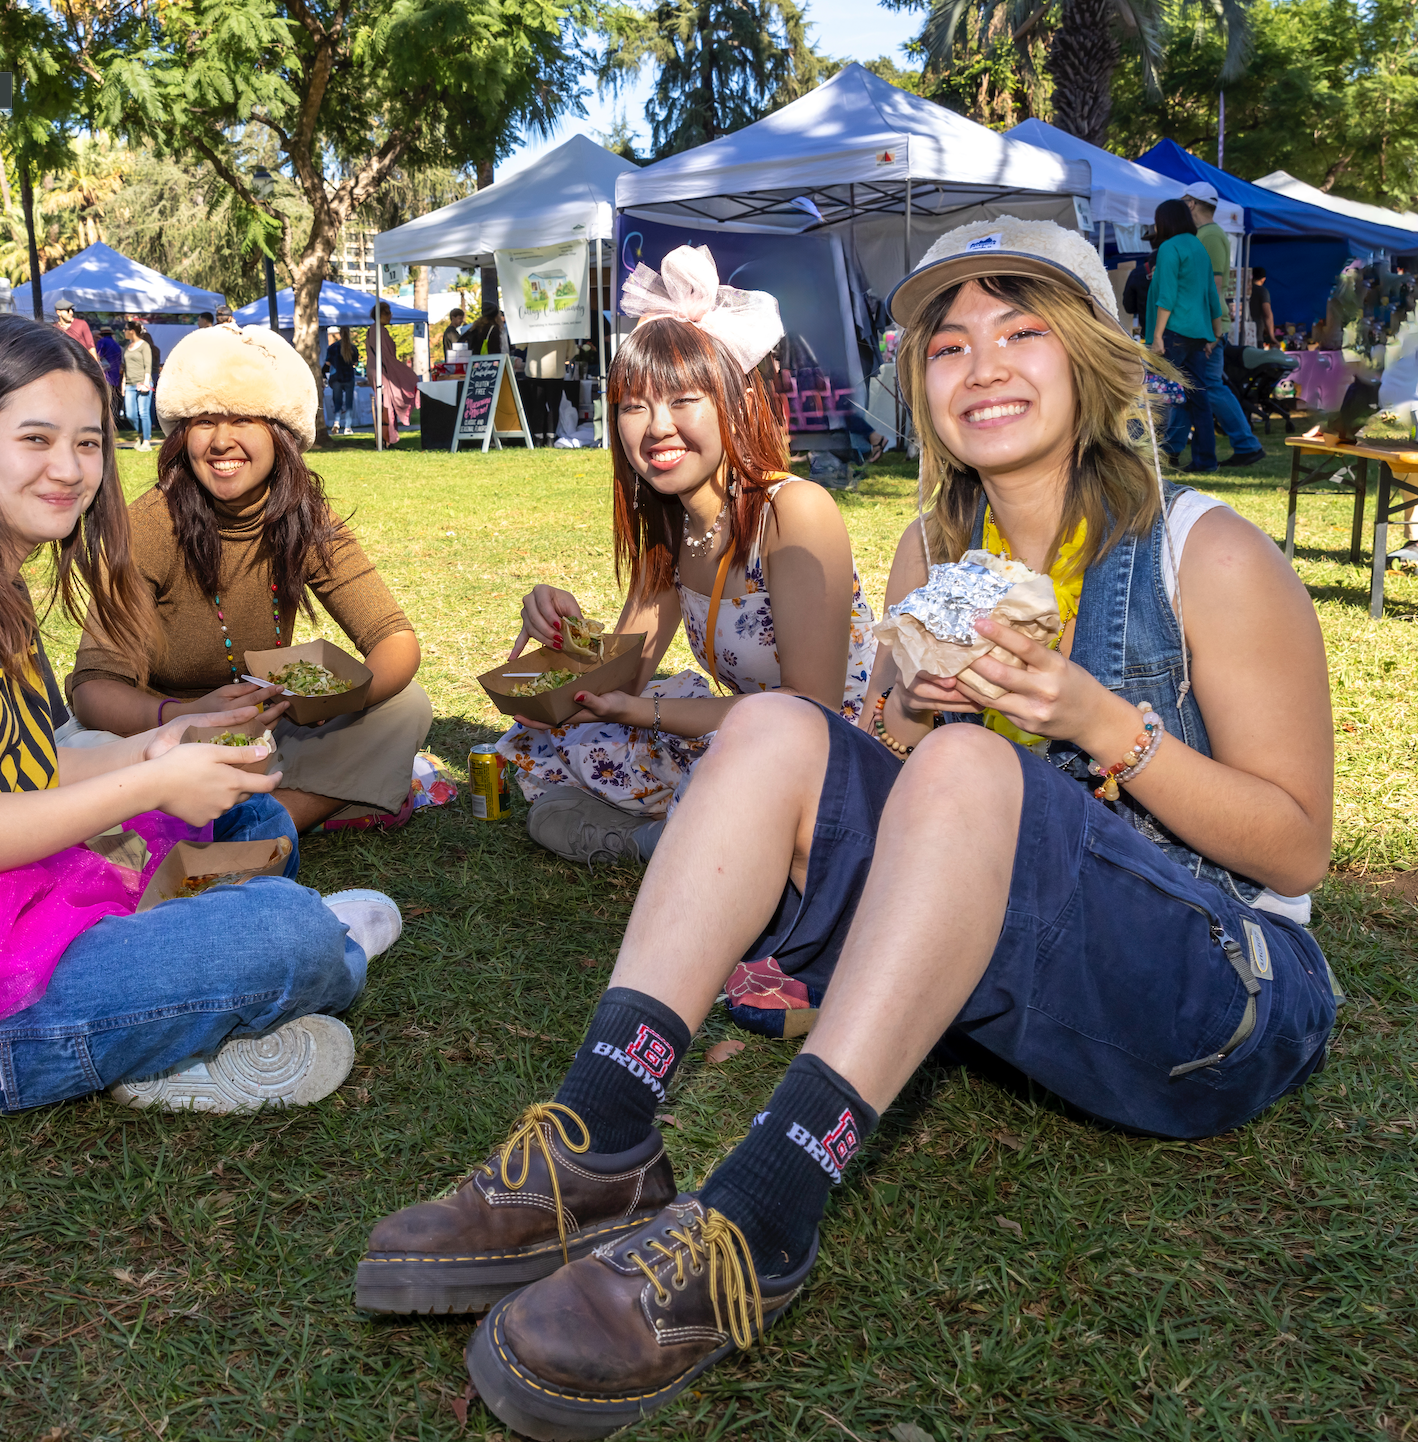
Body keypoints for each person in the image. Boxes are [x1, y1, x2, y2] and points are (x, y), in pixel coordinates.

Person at [361, 217, 1339, 1440]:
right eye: (948, 344)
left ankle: (765, 1210)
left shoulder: (1208, 551)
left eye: (1021, 330)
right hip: (1024, 976)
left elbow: (1296, 851)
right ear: (917, 385)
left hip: (1224, 995)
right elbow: (912, 795)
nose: (982, 365)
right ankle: (602, 1129)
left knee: (973, 768)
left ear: (1092, 359)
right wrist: (902, 722)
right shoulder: (933, 551)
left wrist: (1099, 720)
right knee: (774, 724)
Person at [0, 313, 403, 1162]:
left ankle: (184, 1007)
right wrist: (148, 788)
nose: (69, 469)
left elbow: (23, 763)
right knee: (289, 936)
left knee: (258, 828)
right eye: (36, 438)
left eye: (89, 443)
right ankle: (234, 998)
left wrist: (166, 741)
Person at [499, 244, 875, 890]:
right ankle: (673, 834)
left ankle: (674, 835)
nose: (656, 427)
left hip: (829, 752)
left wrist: (635, 713)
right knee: (555, 738)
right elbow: (626, 674)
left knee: (688, 747)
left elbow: (808, 712)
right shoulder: (672, 529)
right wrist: (563, 635)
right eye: (633, 405)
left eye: (683, 400)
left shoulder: (796, 512)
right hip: (746, 733)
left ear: (733, 402)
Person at [66, 323, 432, 835]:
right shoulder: (145, 527)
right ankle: (302, 807)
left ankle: (251, 823)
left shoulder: (304, 516)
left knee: (405, 706)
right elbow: (93, 691)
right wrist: (187, 714)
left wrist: (335, 704)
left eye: (243, 419)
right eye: (204, 420)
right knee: (84, 759)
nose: (221, 441)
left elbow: (394, 639)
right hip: (166, 735)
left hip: (267, 730)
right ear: (181, 435)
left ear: (281, 433)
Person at [1182, 182, 1265, 466]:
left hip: (1209, 326)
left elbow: (1214, 285)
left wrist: (1211, 332)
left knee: (1211, 387)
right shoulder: (1205, 234)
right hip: (1205, 324)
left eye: (1184, 200)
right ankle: (1244, 444)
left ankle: (1247, 444)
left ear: (1192, 203)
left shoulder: (1211, 235)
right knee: (1200, 387)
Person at [1146, 198, 1221, 473]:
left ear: (1165, 221)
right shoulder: (1198, 246)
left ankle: (1152, 458)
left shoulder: (1169, 247)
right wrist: (1216, 331)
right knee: (1199, 400)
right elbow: (1211, 291)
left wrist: (1157, 336)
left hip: (1172, 332)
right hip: (1198, 335)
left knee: (1156, 395)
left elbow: (1167, 296)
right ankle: (1206, 460)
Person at [372, 301, 418, 444]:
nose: (390, 316)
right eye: (388, 313)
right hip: (383, 371)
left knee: (387, 403)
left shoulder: (376, 330)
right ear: (382, 314)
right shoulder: (378, 331)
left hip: (381, 369)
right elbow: (386, 356)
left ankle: (388, 437)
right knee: (387, 403)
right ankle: (388, 437)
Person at [122, 318, 154, 451]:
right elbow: (125, 367)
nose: (123, 331)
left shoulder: (144, 345)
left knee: (143, 412)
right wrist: (123, 383)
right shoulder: (126, 347)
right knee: (130, 414)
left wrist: (146, 383)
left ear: (132, 331)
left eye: (125, 329)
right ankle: (141, 435)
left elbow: (148, 365)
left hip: (142, 383)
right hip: (129, 384)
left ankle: (146, 441)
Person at [324, 327, 358, 435]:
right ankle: (348, 427)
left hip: (336, 378)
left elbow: (328, 363)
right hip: (349, 377)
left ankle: (336, 422)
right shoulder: (353, 348)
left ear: (339, 334)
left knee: (337, 403)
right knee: (348, 404)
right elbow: (355, 363)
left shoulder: (332, 348)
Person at [1120, 254, 1152, 334]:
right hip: (1179, 330)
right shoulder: (1177, 269)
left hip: (1148, 329)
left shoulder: (1137, 273)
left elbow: (1129, 307)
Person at [95, 324, 123, 399]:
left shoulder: (102, 341)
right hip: (116, 376)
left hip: (106, 375)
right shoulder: (116, 344)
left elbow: (98, 355)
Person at [1252, 265, 1277, 343]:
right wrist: (1272, 337)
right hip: (1256, 335)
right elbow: (1267, 314)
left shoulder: (1244, 290)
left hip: (1241, 333)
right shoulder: (1263, 291)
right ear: (1263, 279)